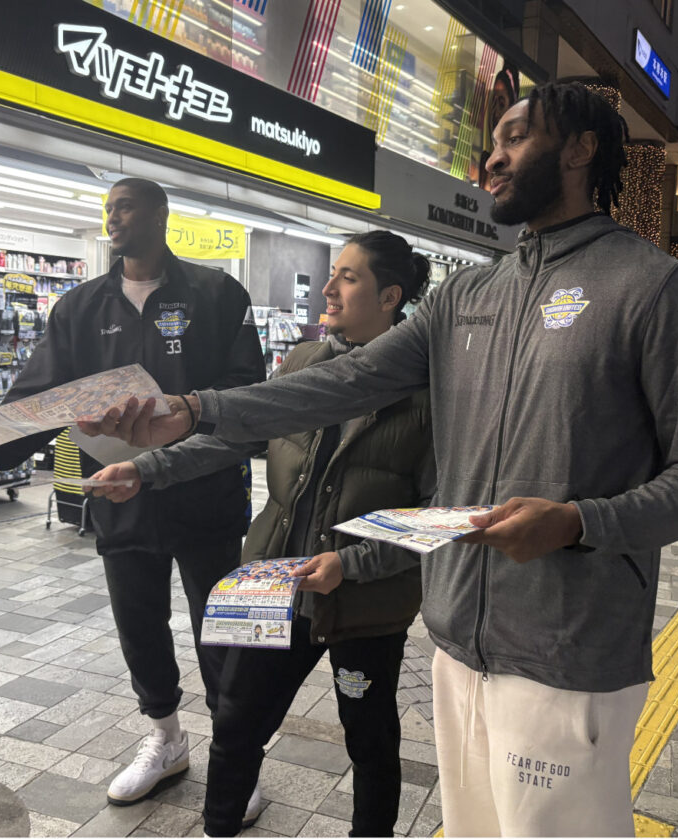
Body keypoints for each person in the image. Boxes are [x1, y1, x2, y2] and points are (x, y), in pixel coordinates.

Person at [81, 83, 678, 836]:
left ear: (582, 149)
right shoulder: (467, 296)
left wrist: (579, 522)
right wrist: (196, 409)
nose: (491, 158)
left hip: (569, 649)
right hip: (457, 638)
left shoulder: (655, 290)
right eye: (492, 142)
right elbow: (342, 381)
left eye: (516, 137)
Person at [0, 177, 265, 805]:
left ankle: (235, 755)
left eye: (125, 207)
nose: (113, 218)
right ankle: (165, 738)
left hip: (205, 492)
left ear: (162, 214)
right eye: (108, 209)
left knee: (220, 626)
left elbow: (246, 393)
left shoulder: (217, 294)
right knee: (138, 621)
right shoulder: (79, 308)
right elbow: (39, 396)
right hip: (116, 491)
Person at [88, 231, 434, 836]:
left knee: (370, 741)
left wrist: (352, 565)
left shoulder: (428, 395)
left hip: (364, 603)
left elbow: (436, 512)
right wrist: (144, 470)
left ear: (391, 297)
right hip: (271, 583)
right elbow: (231, 439)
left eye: (348, 277)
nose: (327, 287)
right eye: (334, 273)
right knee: (237, 722)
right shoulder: (302, 365)